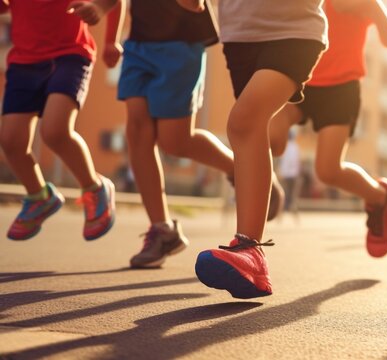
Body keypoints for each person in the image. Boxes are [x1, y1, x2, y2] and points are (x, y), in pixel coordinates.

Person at [69, 0, 284, 269]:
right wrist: (102, 10)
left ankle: (241, 169)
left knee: (175, 141)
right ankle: (162, 230)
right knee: (136, 130)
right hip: (138, 43)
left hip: (183, 41)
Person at [177, 0, 328, 299]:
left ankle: (249, 250)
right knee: (253, 128)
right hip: (239, 37)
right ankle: (252, 255)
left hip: (294, 30)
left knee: (244, 122)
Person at [269, 0, 387, 258]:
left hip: (341, 89)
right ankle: (267, 186)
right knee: (270, 133)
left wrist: (373, 8)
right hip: (302, 78)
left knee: (328, 171)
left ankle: (380, 196)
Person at [0, 0, 115, 241]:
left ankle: (94, 188)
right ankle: (38, 197)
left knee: (55, 130)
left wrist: (107, 28)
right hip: (24, 60)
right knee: (11, 141)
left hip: (70, 54)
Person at [278, 131, 302, 218]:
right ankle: (294, 213)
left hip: (285, 174)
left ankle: (280, 214)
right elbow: (297, 161)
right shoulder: (295, 147)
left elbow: (282, 161)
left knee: (284, 194)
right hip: (293, 174)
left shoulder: (284, 146)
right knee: (293, 195)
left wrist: (281, 172)